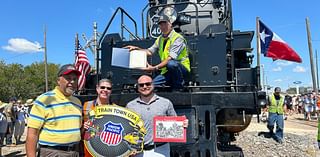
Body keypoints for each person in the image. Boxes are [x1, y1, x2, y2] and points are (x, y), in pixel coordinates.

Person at [26, 64, 82, 157]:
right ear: (58, 80)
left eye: (75, 79)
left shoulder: (77, 103)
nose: (72, 81)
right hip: (52, 153)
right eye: (68, 78)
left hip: (74, 153)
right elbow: (32, 134)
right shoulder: (44, 100)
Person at [125, 15, 191, 90]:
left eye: (165, 24)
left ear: (170, 24)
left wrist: (154, 68)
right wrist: (136, 49)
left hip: (181, 69)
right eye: (161, 25)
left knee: (171, 64)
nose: (163, 26)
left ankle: (179, 87)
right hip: (166, 71)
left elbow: (170, 59)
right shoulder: (159, 39)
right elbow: (149, 51)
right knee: (151, 86)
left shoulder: (178, 38)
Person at [126, 75, 178, 157]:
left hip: (160, 150)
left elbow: (175, 123)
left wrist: (182, 125)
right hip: (139, 152)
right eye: (141, 85)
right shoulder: (130, 106)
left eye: (148, 84)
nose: (145, 87)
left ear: (153, 84)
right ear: (138, 87)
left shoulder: (166, 103)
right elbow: (127, 128)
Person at [82, 78, 116, 157]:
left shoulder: (116, 109)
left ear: (111, 91)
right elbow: (80, 130)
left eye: (108, 88)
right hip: (89, 150)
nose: (105, 90)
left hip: (108, 150)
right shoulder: (86, 105)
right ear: (97, 88)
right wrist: (84, 127)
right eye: (102, 87)